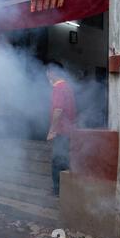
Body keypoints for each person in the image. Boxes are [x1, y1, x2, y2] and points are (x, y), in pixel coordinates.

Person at [46, 60, 77, 197]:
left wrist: (52, 130)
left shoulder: (58, 88)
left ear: (52, 72)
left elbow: (58, 109)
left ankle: (58, 190)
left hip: (61, 131)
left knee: (57, 161)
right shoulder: (68, 87)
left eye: (47, 72)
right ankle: (66, 190)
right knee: (64, 160)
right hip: (68, 130)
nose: (46, 75)